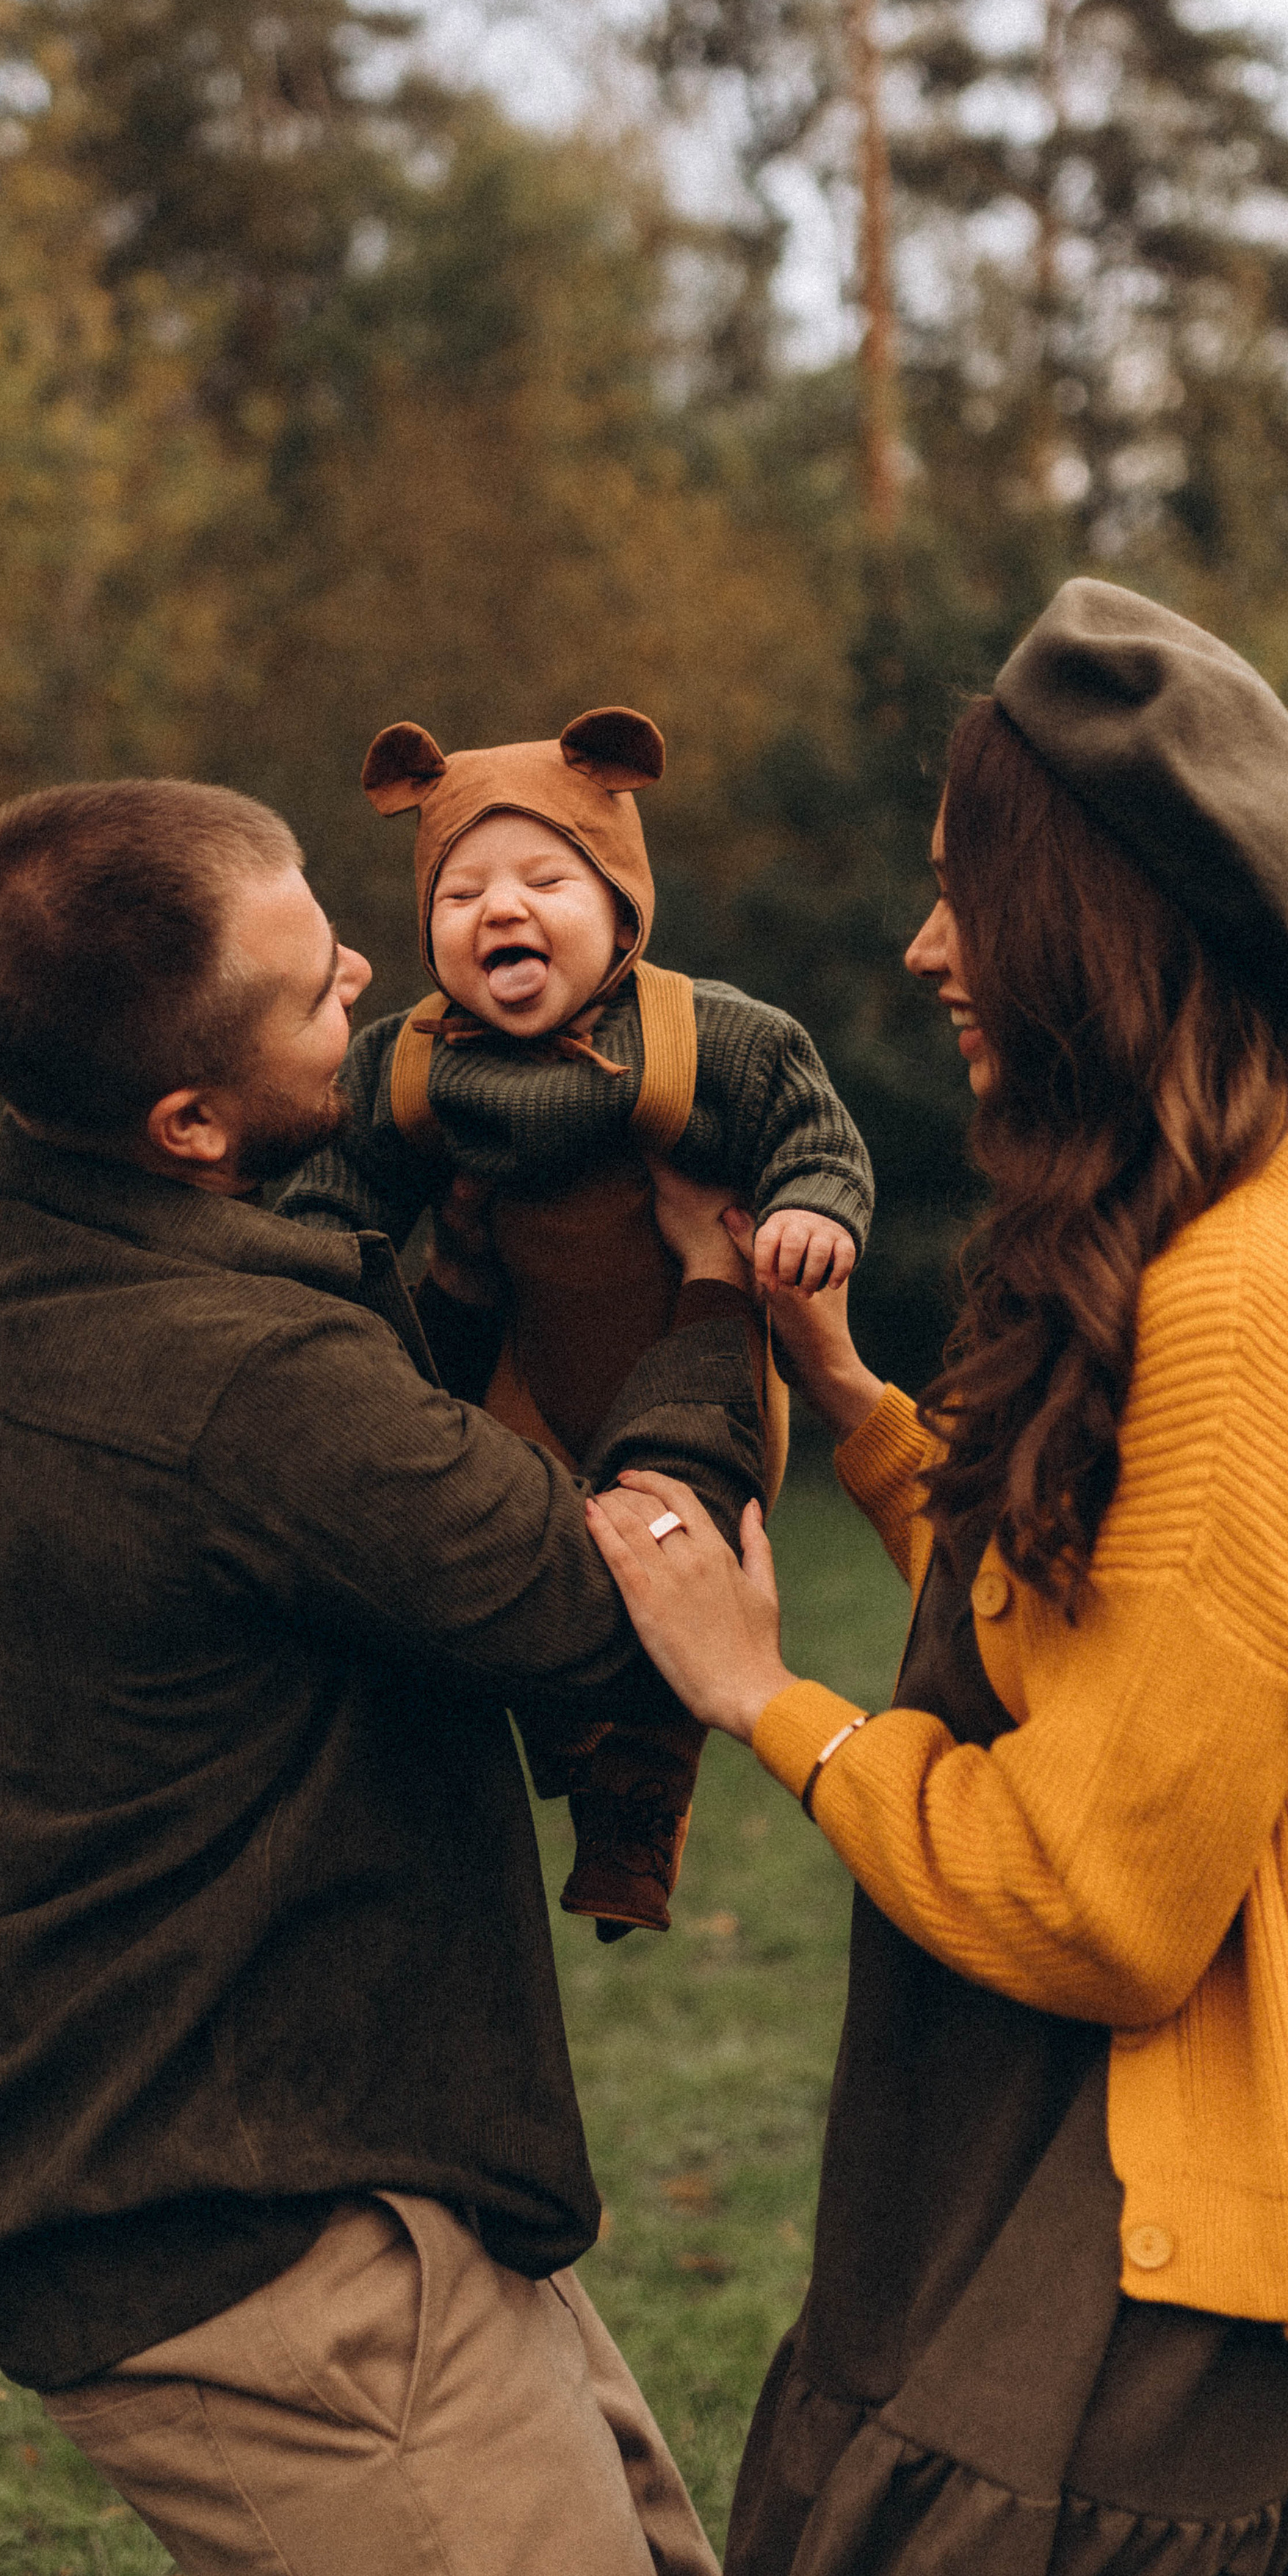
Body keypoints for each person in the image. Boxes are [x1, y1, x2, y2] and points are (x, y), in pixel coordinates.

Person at [585, 582, 1288, 2576]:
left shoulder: (1246, 1311)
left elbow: (1101, 1892)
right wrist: (863, 1407)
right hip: (1085, 2163)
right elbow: (1103, 1632)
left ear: (1094, 925)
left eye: (964, 893)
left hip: (1189, 2232)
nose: (923, 953)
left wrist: (763, 1698)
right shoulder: (1209, 1200)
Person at [0, 774, 772, 2576]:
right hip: (242, 2226)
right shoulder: (234, 1379)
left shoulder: (17, 1242)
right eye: (310, 991)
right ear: (188, 1121)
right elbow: (612, 1608)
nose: (369, 976)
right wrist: (707, 1306)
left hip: (291, 2136)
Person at [282, 703, 872, 1938]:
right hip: (522, 1379)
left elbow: (811, 1126)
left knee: (669, 1561)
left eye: (546, 877)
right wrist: (311, 1266)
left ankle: (638, 1812)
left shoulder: (704, 1035)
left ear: (621, 906)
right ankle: (569, 1747)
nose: (501, 911)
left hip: (685, 1367)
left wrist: (817, 1208)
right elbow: (335, 1191)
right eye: (460, 896)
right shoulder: (409, 1065)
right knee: (505, 1559)